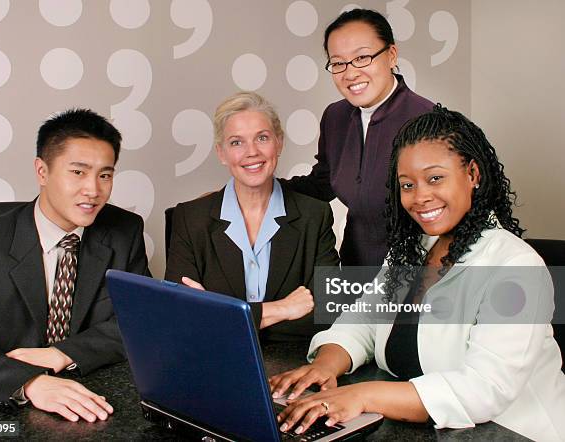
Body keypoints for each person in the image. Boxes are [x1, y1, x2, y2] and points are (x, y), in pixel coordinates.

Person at [269, 105, 565, 441]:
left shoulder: (516, 266)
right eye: (407, 185)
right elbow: (365, 320)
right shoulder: (412, 249)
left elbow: (485, 388)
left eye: (435, 178)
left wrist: (361, 395)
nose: (420, 197)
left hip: (511, 432)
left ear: (473, 174)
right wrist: (325, 366)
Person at [0, 109, 151, 423]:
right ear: (42, 171)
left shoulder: (124, 231)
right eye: (78, 172)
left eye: (105, 175)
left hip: (94, 400)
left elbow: (139, 320)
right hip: (1, 408)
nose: (93, 190)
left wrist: (63, 353)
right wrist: (29, 382)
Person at [165, 92, 339, 341]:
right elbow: (181, 314)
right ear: (221, 153)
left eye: (262, 138)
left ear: (279, 143)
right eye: (237, 142)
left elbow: (325, 314)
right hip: (215, 361)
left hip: (294, 364)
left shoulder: (315, 215)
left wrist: (217, 316)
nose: (252, 152)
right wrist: (283, 309)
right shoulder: (189, 218)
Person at [284, 8, 433, 267]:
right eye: (338, 63)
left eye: (362, 57)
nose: (350, 73)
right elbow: (322, 184)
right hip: (355, 270)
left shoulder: (429, 120)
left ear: (391, 55)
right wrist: (257, 188)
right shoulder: (335, 117)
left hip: (418, 274)